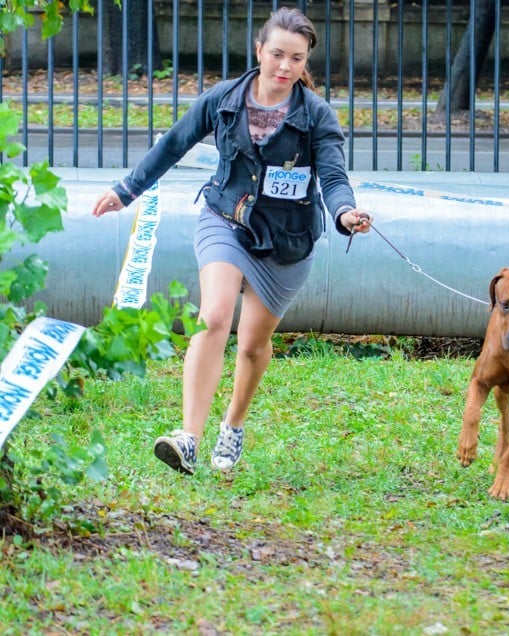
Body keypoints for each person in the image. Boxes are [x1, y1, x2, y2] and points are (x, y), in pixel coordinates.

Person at [91, 7, 371, 475]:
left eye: (296, 59)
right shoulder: (224, 99)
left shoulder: (317, 115)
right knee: (215, 313)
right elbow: (174, 143)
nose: (285, 67)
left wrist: (344, 214)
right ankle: (189, 437)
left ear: (306, 63)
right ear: (259, 50)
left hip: (287, 240)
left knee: (252, 345)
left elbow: (334, 177)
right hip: (227, 218)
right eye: (277, 54)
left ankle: (233, 426)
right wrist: (126, 190)